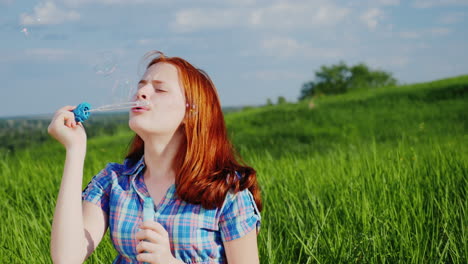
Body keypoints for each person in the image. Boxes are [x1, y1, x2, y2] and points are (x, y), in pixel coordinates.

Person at [48, 51, 262, 264]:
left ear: (191, 113)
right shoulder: (114, 182)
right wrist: (75, 150)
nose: (141, 92)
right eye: (141, 86)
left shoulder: (227, 191)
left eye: (159, 89)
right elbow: (66, 258)